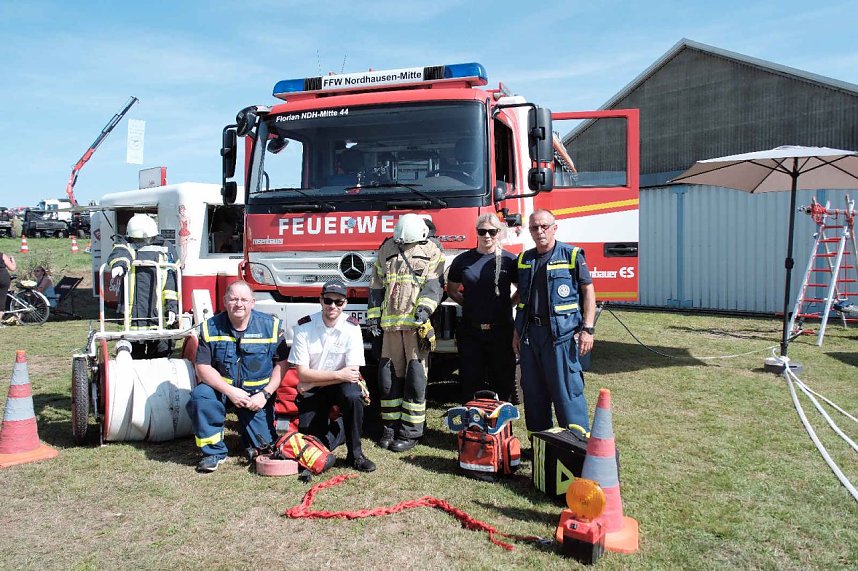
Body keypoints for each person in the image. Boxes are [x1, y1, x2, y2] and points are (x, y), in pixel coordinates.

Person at [187, 280, 288, 473]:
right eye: (233, 299)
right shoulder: (210, 328)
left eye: (244, 299)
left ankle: (247, 435)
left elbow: (282, 365)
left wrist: (265, 395)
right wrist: (231, 392)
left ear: (253, 302)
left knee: (264, 446)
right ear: (225, 301)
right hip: (222, 391)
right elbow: (202, 367)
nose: (238, 304)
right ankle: (214, 453)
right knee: (201, 396)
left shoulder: (271, 326)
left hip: (256, 396)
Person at [512, 209, 596, 433]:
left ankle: (576, 445)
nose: (539, 231)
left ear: (554, 228)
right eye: (534, 227)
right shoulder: (524, 259)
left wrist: (588, 329)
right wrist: (516, 332)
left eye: (544, 226)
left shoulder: (572, 255)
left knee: (567, 391)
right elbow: (521, 297)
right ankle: (541, 446)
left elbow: (588, 291)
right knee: (533, 393)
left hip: (561, 336)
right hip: (531, 335)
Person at [367, 213, 445, 452]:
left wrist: (423, 311)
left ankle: (410, 432)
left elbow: (434, 286)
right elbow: (376, 285)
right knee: (388, 378)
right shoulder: (387, 248)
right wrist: (373, 318)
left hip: (414, 327)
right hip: (390, 328)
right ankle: (390, 426)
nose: (402, 244)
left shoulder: (432, 251)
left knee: (415, 379)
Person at [288, 281, 376, 472]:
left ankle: (356, 455)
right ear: (321, 300)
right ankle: (338, 435)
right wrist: (337, 375)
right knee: (315, 443)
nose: (332, 306)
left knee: (354, 396)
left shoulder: (352, 328)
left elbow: (351, 374)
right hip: (317, 388)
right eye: (328, 300)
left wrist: (310, 383)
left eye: (338, 302)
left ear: (345, 303)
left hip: (334, 386)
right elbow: (301, 373)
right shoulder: (304, 327)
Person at [446, 214, 518, 403]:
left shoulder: (510, 260)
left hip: (501, 331)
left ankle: (501, 426)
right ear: (476, 233)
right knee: (470, 381)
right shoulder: (463, 260)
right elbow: (452, 290)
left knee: (502, 382)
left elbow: (522, 290)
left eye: (492, 232)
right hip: (471, 332)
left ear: (498, 233)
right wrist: (470, 305)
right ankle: (472, 426)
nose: (487, 236)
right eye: (482, 231)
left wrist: (507, 304)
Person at [107, 213, 179, 359]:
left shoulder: (166, 249)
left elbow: (171, 281)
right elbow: (120, 252)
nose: (142, 242)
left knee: (161, 358)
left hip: (159, 317)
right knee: (133, 360)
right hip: (132, 318)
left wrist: (172, 307)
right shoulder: (126, 244)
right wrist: (120, 264)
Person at [0, 251, 16, 324]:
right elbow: (12, 268)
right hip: (3, 278)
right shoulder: (2, 255)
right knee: (2, 300)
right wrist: (12, 260)